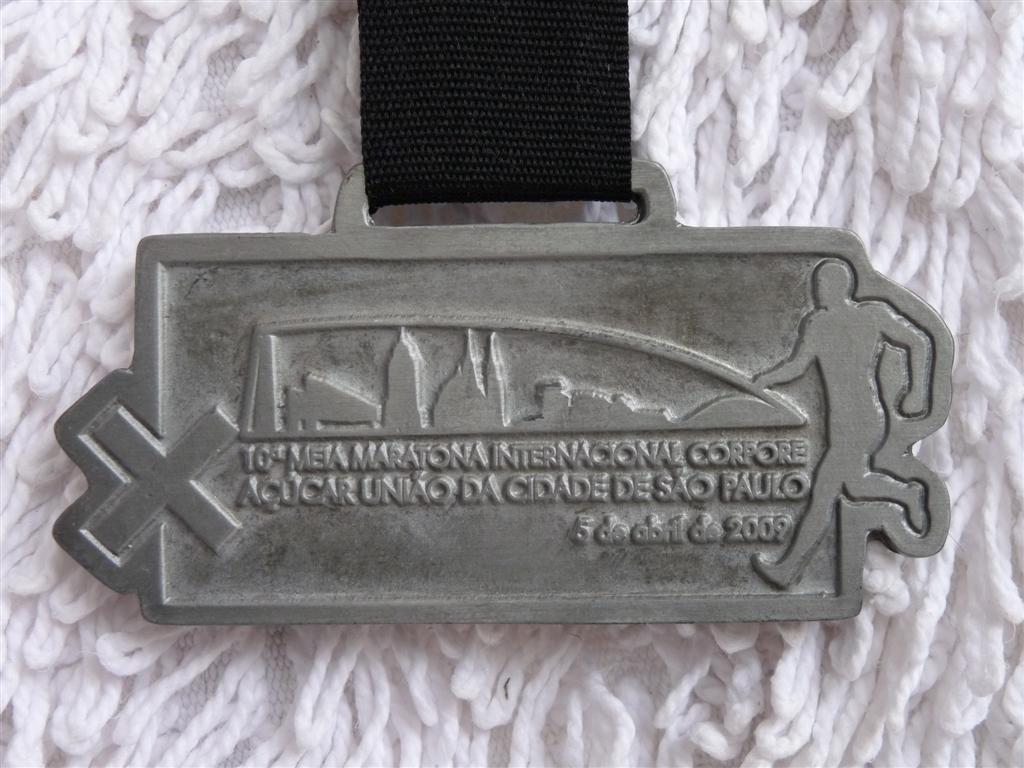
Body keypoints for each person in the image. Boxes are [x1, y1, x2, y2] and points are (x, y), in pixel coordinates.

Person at [752, 259, 933, 588]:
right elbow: (797, 367)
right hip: (842, 422)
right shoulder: (818, 324)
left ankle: (787, 569)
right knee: (854, 487)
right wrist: (766, 380)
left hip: (862, 419)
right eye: (818, 286)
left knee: (823, 493)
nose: (819, 291)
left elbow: (918, 342)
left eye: (824, 285)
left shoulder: (870, 315)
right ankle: (907, 493)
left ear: (841, 287)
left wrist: (916, 392)